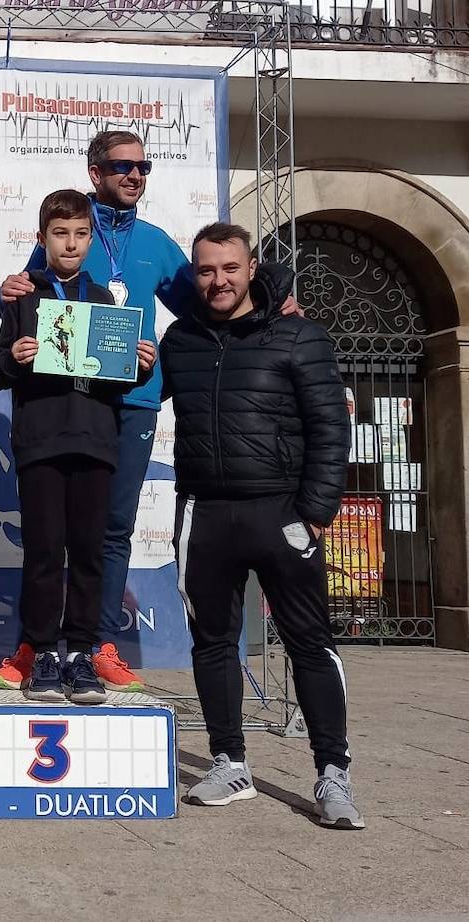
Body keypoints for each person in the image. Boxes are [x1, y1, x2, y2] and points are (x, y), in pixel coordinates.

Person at [162, 223, 361, 829]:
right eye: (205, 270)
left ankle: (333, 775)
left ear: (251, 269)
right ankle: (229, 763)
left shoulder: (299, 336)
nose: (217, 281)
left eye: (229, 268)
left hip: (281, 515)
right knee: (214, 643)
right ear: (193, 276)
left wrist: (315, 513)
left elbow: (331, 429)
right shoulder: (178, 340)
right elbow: (124, 393)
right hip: (205, 512)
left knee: (309, 644)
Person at [0, 130, 201, 692]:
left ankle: (100, 644)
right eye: (122, 167)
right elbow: (28, 300)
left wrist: (162, 364)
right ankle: (37, 648)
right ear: (95, 173)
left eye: (144, 167)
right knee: (53, 537)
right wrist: (3, 292)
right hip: (65, 407)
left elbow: (203, 308)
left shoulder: (157, 242)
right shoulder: (68, 233)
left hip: (130, 401)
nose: (134, 176)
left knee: (110, 529)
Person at [0, 191, 155, 703]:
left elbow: (114, 380)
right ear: (42, 240)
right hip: (40, 441)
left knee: (87, 551)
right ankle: (40, 652)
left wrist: (137, 366)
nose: (72, 243)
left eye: (81, 234)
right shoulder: (22, 297)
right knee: (42, 552)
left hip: (97, 443)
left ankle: (81, 653)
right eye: (61, 234)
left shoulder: (105, 301)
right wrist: (14, 356)